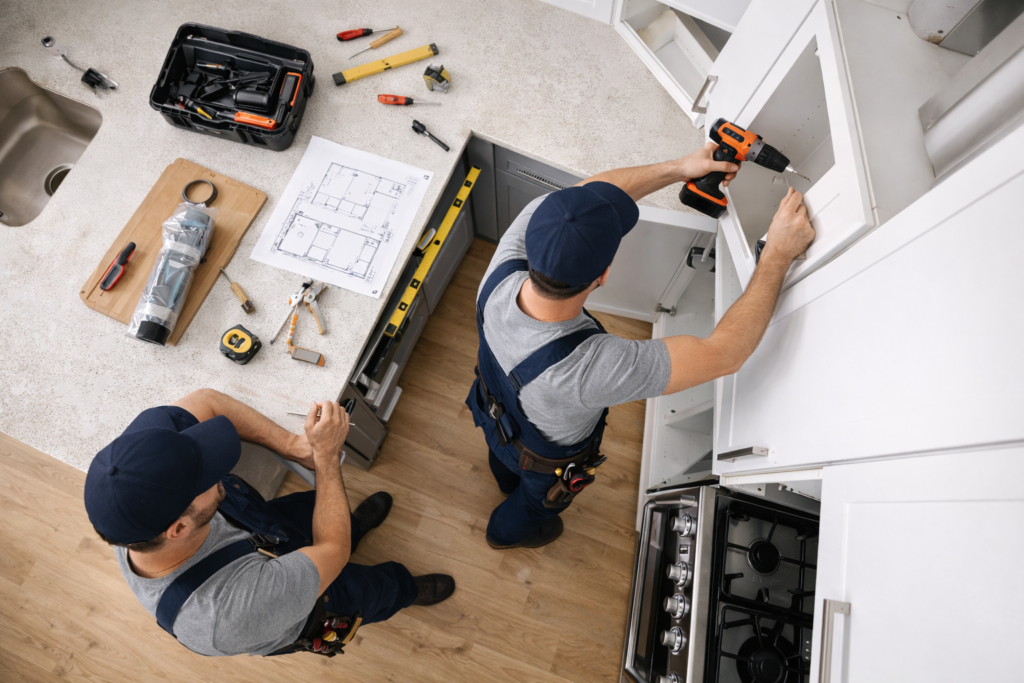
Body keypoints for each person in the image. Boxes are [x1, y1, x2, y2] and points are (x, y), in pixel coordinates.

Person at [466, 142, 815, 549]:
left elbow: (585, 197)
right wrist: (777, 254)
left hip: (492, 415)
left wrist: (681, 166)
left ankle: (504, 479)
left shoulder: (504, 265)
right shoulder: (590, 369)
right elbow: (726, 352)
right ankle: (505, 535)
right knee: (534, 505)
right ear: (603, 275)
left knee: (504, 462)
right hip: (542, 464)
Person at [84, 389, 455, 657]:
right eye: (207, 478)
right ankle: (406, 591)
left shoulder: (128, 482)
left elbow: (207, 402)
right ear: (179, 528)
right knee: (371, 587)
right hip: (308, 607)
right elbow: (332, 550)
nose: (219, 470)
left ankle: (352, 524)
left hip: (264, 530)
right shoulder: (224, 614)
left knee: (321, 514)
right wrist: (325, 457)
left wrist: (293, 444)